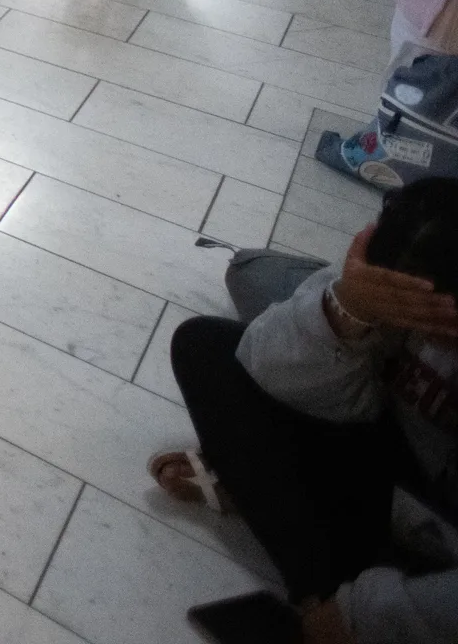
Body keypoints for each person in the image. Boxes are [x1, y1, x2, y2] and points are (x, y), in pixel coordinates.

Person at [154, 190, 458, 644]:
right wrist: (349, 311)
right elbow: (271, 364)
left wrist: (362, 614)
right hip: (384, 459)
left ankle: (327, 583)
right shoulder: (412, 257)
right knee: (216, 333)